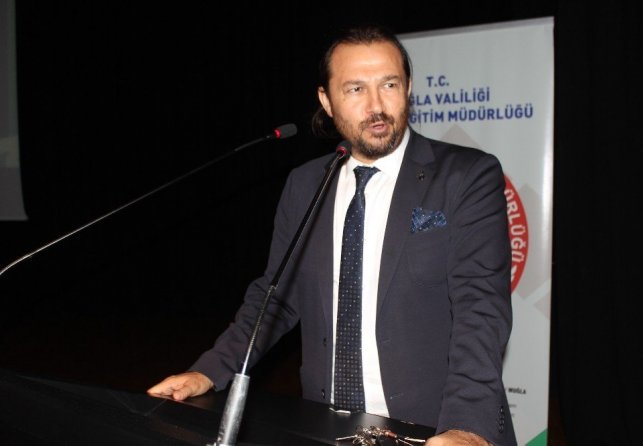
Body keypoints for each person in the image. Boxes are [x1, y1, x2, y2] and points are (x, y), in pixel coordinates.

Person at [148, 24, 516, 446]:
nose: (376, 106)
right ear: (326, 100)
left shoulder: (466, 176)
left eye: (389, 85)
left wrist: (467, 426)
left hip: (433, 430)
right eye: (356, 89)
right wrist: (209, 370)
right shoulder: (306, 184)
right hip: (330, 429)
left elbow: (480, 308)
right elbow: (275, 298)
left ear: (409, 88)